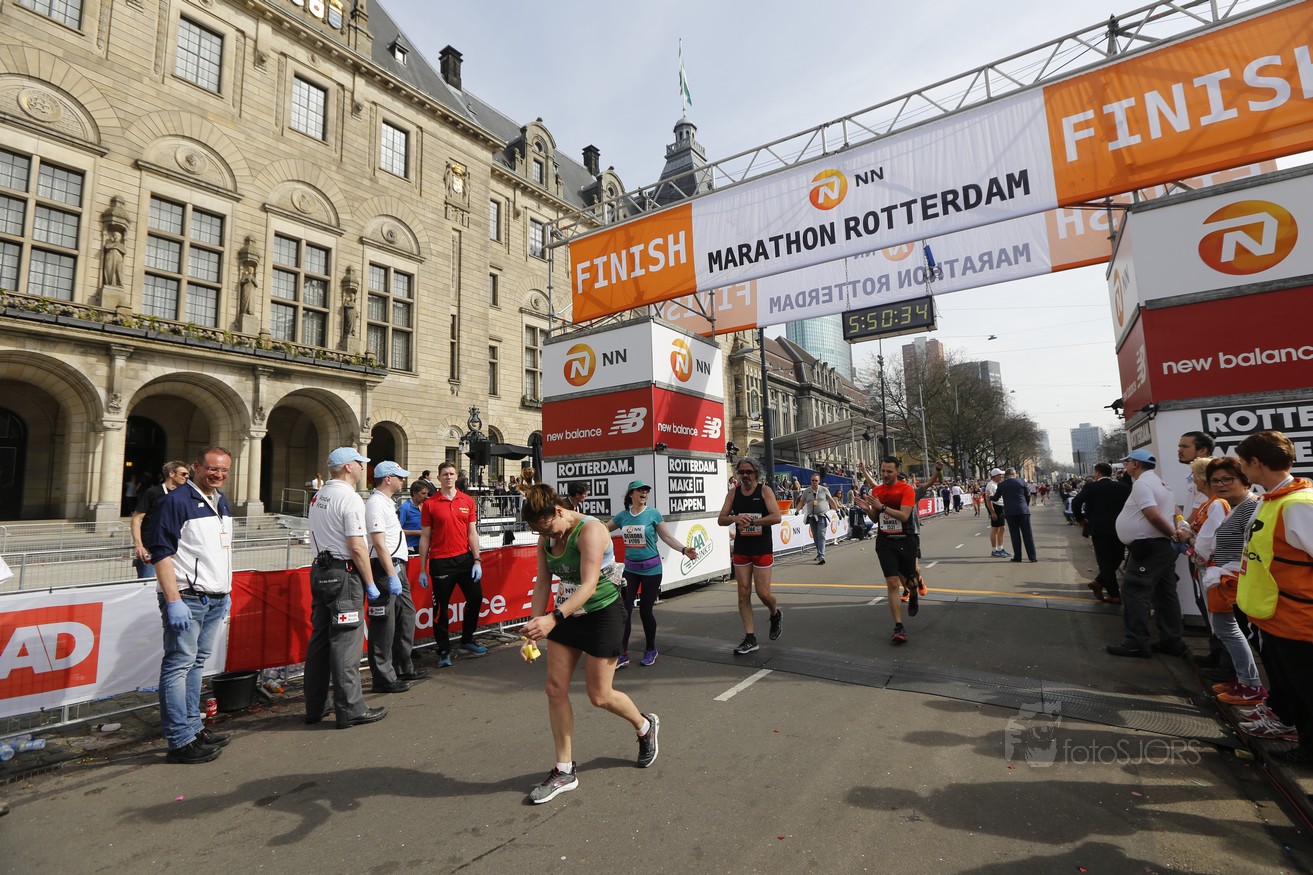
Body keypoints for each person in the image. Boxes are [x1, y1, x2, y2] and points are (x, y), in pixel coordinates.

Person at [519, 484, 660, 803]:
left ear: (558, 511)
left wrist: (552, 619)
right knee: (554, 689)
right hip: (567, 614)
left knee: (600, 696)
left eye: (547, 528)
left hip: (603, 613)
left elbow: (589, 584)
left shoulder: (591, 530)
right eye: (539, 532)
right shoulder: (546, 535)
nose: (547, 536)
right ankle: (564, 770)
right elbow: (543, 582)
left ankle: (644, 725)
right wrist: (533, 627)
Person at [147, 446, 236, 764]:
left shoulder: (220, 501)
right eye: (213, 468)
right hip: (188, 596)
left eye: (224, 470)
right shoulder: (175, 501)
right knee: (178, 665)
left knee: (196, 664)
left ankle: (193, 728)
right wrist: (173, 600)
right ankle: (179, 739)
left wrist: (225, 590)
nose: (218, 474)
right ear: (197, 467)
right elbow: (161, 552)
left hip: (215, 597)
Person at [1235, 431, 1313, 768]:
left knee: (1307, 691)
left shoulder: (1298, 505)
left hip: (1298, 618)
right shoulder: (1274, 500)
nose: (1241, 469)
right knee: (1292, 688)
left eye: (1242, 462)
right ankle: (1298, 737)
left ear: (1256, 462)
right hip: (1276, 615)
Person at [304, 447, 388, 729]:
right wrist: (370, 582)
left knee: (319, 640)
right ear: (349, 467)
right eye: (360, 463)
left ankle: (316, 705)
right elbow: (357, 546)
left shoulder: (319, 495)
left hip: (320, 569)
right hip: (343, 574)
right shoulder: (350, 498)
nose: (364, 467)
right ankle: (351, 708)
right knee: (346, 643)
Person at [1192, 457, 1263, 707]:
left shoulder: (1251, 507)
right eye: (1215, 480)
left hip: (1240, 583)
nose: (1220, 485)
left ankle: (1251, 685)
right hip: (1227, 581)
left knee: (1235, 632)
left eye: (1227, 479)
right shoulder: (1237, 506)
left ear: (1245, 479)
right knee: (1227, 629)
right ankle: (1246, 681)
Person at [607, 479, 698, 667]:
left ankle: (650, 649)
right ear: (631, 494)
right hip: (630, 569)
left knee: (645, 611)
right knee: (625, 610)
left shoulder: (653, 514)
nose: (644, 493)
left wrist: (684, 549)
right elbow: (602, 530)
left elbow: (667, 537)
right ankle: (623, 653)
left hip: (651, 570)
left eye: (646, 491)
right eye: (640, 490)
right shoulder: (623, 516)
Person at [1106, 449, 1185, 659]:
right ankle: (1172, 640)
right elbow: (1176, 510)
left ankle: (1136, 642)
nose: (1125, 467)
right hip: (1160, 546)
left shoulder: (1142, 484)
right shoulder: (1160, 483)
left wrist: (1173, 534)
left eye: (1127, 463)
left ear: (1135, 464)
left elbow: (1152, 514)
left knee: (1135, 590)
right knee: (1164, 592)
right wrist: (1177, 531)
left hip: (1149, 547)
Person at [417, 461, 486, 668]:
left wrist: (477, 560)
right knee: (441, 609)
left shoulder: (467, 500)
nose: (448, 477)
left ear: (457, 477)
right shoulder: (430, 504)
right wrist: (422, 569)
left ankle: (467, 640)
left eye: (451, 473)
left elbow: (472, 533)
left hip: (465, 560)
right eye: (445, 474)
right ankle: (444, 650)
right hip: (440, 562)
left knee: (476, 598)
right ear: (439, 478)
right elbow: (425, 537)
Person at [364, 461, 423, 693]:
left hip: (396, 566)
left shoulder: (386, 502)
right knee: (384, 624)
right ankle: (383, 677)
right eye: (399, 477)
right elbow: (379, 543)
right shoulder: (376, 503)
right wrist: (390, 573)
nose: (403, 480)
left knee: (406, 615)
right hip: (385, 567)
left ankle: (402, 665)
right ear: (388, 479)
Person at [717, 456, 783, 655]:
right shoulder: (733, 493)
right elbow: (721, 519)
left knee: (763, 593)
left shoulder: (764, 491)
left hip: (762, 547)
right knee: (743, 592)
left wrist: (753, 522)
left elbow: (777, 517)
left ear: (756, 473)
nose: (745, 475)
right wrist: (735, 518)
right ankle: (750, 637)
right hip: (742, 548)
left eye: (748, 472)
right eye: (741, 472)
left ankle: (775, 613)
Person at [854, 457, 920, 643]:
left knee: (910, 582)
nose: (885, 474)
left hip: (905, 540)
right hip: (885, 542)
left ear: (897, 471)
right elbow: (876, 519)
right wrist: (868, 509)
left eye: (889, 471)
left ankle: (914, 592)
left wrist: (882, 507)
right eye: (883, 471)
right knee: (892, 582)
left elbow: (904, 516)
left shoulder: (906, 489)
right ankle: (899, 626)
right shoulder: (877, 490)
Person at [1072, 462, 1131, 603]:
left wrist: (1080, 519)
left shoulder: (1091, 487)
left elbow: (1076, 502)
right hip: (1119, 528)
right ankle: (1108, 589)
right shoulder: (1122, 487)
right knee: (1118, 557)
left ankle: (1108, 590)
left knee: (1104, 561)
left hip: (1098, 529)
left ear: (1098, 473)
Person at [131, 460, 189, 580]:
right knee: (147, 583)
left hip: (177, 549)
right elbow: (136, 519)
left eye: (188, 474)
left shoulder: (185, 494)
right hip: (151, 547)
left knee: (175, 584)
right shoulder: (153, 492)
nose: (187, 477)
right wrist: (139, 545)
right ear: (171, 474)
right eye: (183, 474)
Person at [793, 472, 840, 564]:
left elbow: (831, 500)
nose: (814, 482)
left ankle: (821, 556)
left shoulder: (824, 490)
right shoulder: (807, 491)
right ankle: (819, 553)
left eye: (816, 480)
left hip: (822, 516)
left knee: (821, 535)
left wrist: (837, 510)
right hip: (812, 517)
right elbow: (801, 501)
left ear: (819, 481)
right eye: (812, 480)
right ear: (810, 481)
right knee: (815, 536)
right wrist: (797, 510)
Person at [996, 468, 1037, 562]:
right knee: (1027, 534)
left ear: (1006, 475)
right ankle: (1032, 557)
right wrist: (1025, 505)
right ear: (1014, 474)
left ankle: (1018, 557)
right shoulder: (1021, 482)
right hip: (1023, 510)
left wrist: (989, 496)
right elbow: (1027, 496)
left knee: (1015, 536)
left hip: (1010, 512)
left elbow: (996, 497)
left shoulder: (1002, 485)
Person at [399, 480, 429, 556]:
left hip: (425, 545)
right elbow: (397, 531)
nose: (426, 496)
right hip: (411, 547)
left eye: (427, 493)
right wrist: (418, 532)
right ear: (414, 493)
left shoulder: (425, 506)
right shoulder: (405, 508)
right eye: (423, 493)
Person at [985, 468, 1010, 557]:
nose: (1002, 476)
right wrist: (992, 512)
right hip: (996, 508)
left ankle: (1000, 548)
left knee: (1002, 528)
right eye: (1000, 475)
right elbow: (988, 500)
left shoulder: (997, 484)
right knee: (995, 529)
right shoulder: (991, 485)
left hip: (1001, 507)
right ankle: (994, 550)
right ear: (995, 476)